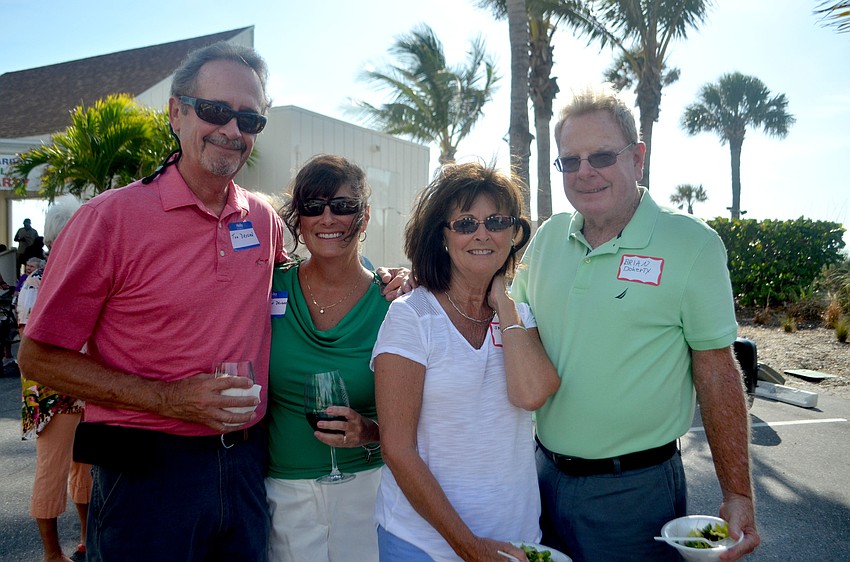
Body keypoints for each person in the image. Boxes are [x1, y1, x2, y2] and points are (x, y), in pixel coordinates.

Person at [17, 42, 286, 561]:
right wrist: (168, 399)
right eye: (216, 111)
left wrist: (386, 281)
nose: (233, 129)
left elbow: (306, 282)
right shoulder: (109, 219)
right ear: (177, 113)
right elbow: (38, 358)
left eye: (250, 119)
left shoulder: (263, 220)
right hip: (147, 477)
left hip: (248, 466)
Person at [510, 84, 761, 562]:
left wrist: (738, 493)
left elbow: (717, 373)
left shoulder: (692, 244)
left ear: (637, 157)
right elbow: (511, 328)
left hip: (635, 493)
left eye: (602, 156)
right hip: (538, 477)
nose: (585, 172)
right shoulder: (544, 241)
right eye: (570, 160)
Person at [371, 162, 561, 562]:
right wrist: (470, 548)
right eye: (465, 223)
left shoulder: (521, 317)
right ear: (442, 235)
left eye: (495, 221)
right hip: (424, 544)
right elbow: (397, 450)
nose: (481, 233)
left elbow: (532, 395)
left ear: (513, 234)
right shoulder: (411, 316)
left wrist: (503, 305)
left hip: (517, 540)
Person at [266, 154, 387, 561]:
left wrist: (369, 432)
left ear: (364, 216)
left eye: (343, 206)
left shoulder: (395, 303)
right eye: (313, 207)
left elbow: (428, 414)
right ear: (299, 219)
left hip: (367, 489)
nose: (328, 218)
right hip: (283, 495)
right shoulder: (268, 288)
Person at [18, 197, 89, 562]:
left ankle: (84, 539)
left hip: (84, 387)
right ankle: (50, 553)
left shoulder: (72, 271)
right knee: (53, 470)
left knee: (85, 469)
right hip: (52, 392)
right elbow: (30, 345)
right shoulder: (39, 279)